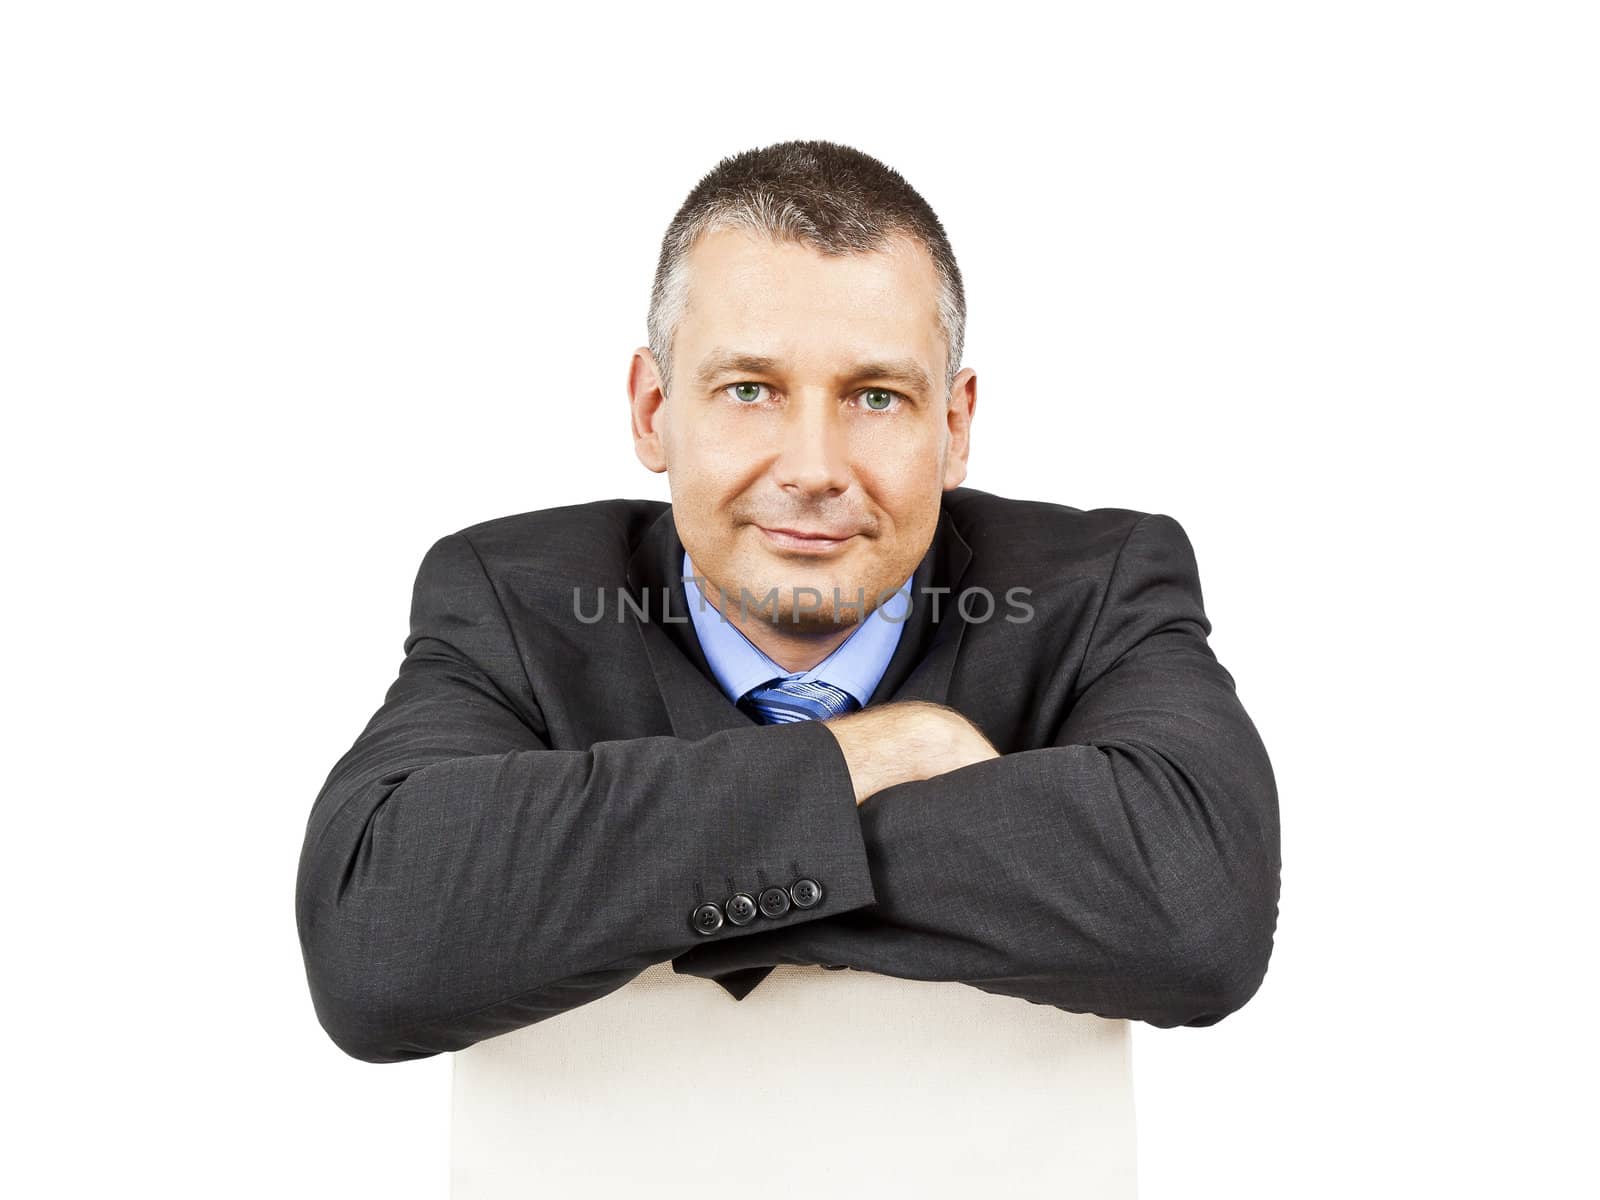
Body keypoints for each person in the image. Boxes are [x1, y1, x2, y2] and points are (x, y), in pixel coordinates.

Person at [295, 138, 1280, 1196]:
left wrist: (615, 881)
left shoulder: (1099, 587)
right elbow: (379, 938)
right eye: (750, 389)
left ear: (953, 427)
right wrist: (880, 751)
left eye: (875, 399)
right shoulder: (511, 595)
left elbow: (1196, 913)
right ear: (652, 409)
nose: (811, 470)